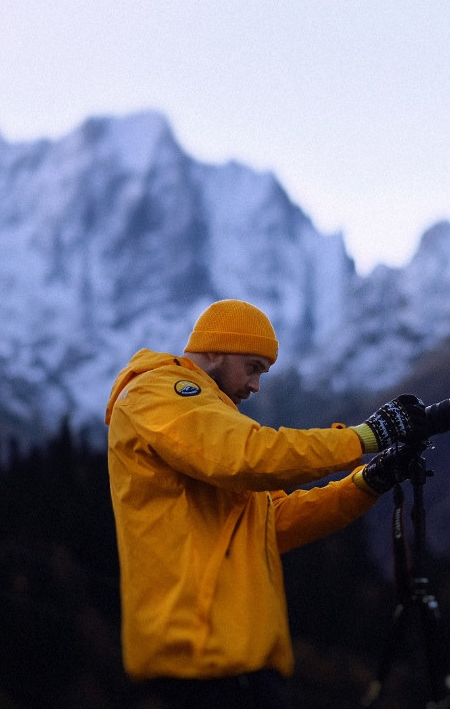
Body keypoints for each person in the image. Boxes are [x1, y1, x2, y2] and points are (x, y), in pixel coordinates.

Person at [105, 298, 428, 709]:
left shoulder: (212, 419)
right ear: (217, 348)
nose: (256, 386)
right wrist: (364, 438)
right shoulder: (158, 392)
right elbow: (246, 456)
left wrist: (368, 481)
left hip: (239, 664)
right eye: (253, 367)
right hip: (198, 665)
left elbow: (274, 521)